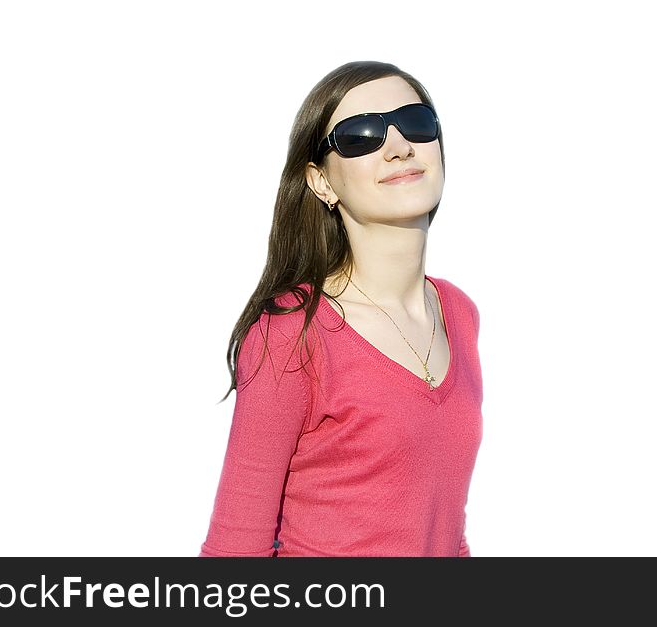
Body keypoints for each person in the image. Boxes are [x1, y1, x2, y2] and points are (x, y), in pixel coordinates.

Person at [199, 61, 483, 557]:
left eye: (416, 123)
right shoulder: (293, 331)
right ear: (321, 182)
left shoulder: (457, 313)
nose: (398, 146)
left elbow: (444, 533)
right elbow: (234, 550)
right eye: (360, 136)